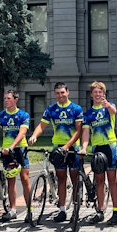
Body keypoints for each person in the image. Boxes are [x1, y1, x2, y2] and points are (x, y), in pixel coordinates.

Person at [28, 82, 83, 223]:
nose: (60, 96)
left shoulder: (76, 108)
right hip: (57, 147)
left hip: (72, 147)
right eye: (57, 93)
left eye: (62, 93)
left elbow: (79, 131)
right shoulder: (51, 109)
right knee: (61, 179)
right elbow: (41, 125)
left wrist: (66, 146)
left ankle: (76, 208)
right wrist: (34, 135)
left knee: (75, 177)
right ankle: (62, 210)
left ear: (67, 92)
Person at [0, 90, 32, 224]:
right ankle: (13, 210)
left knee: (25, 179)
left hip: (20, 149)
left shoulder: (23, 115)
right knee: (11, 180)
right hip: (6, 152)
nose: (6, 101)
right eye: (4, 99)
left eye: (8, 98)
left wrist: (12, 147)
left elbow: (22, 133)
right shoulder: (0, 115)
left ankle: (29, 210)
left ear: (16, 100)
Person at [79, 82, 117, 226]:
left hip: (110, 146)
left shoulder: (109, 107)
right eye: (95, 92)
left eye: (100, 92)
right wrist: (84, 147)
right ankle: (101, 211)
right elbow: (85, 133)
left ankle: (115, 212)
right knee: (99, 180)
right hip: (97, 148)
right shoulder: (88, 114)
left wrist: (107, 105)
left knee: (112, 179)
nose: (98, 94)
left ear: (104, 93)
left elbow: (114, 111)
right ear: (91, 95)